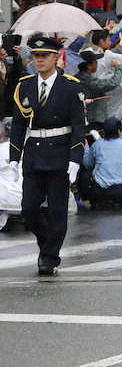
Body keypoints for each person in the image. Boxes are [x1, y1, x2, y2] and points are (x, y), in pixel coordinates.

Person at [10, 36, 87, 275]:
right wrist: (14, 156)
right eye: (35, 55)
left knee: (56, 210)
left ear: (56, 57)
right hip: (34, 152)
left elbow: (78, 126)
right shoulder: (25, 85)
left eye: (44, 55)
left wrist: (75, 159)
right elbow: (18, 124)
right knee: (29, 208)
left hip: (60, 151)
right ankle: (47, 244)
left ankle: (49, 257)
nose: (39, 59)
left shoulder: (71, 86)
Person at [80, 117, 122, 208]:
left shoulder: (97, 145)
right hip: (120, 190)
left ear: (103, 131)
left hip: (99, 190)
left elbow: (87, 164)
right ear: (119, 131)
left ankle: (86, 198)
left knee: (85, 173)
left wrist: (86, 147)